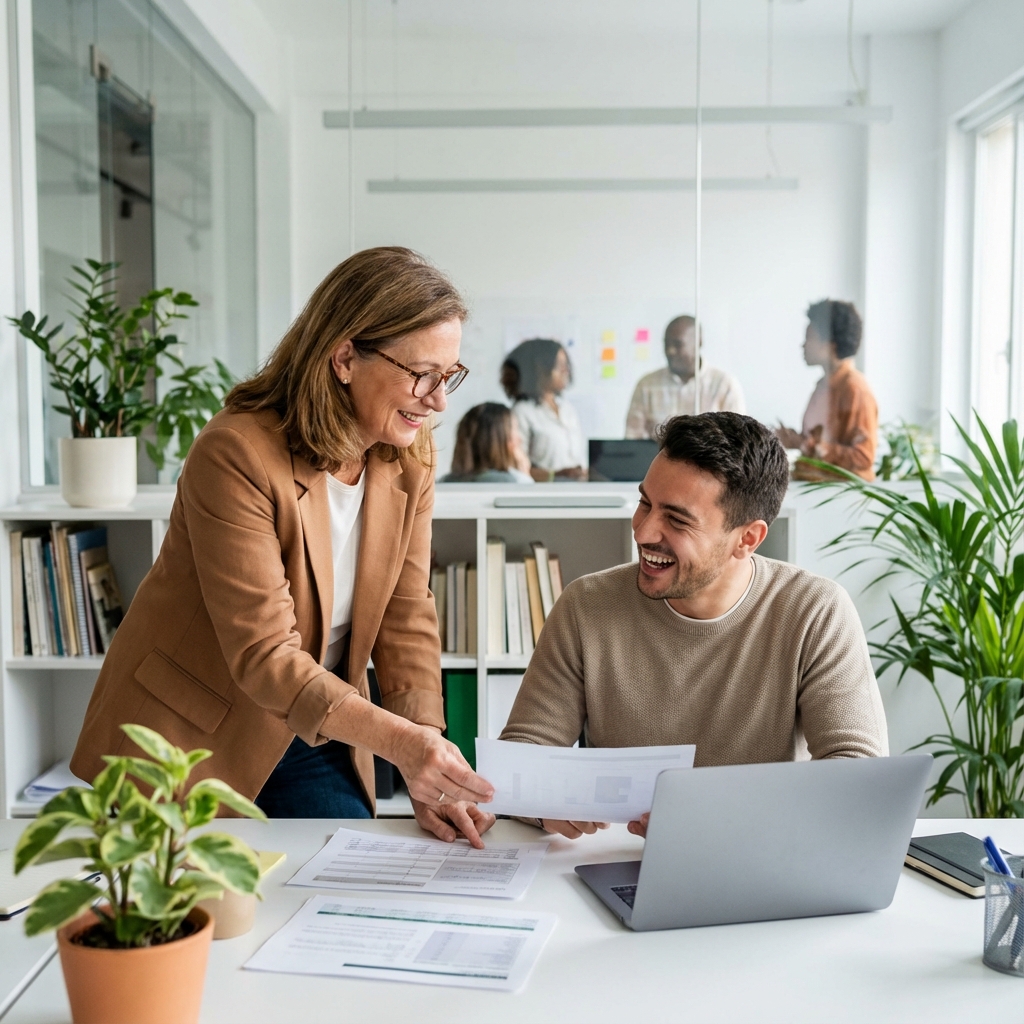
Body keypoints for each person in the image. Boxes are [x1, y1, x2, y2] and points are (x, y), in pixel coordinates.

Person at [71, 247, 497, 848]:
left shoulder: (409, 455)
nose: (438, 402)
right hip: (189, 733)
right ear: (345, 357)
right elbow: (265, 653)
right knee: (204, 928)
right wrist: (401, 743)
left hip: (320, 725)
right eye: (421, 374)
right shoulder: (236, 453)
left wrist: (431, 765)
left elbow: (406, 612)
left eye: (449, 375)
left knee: (338, 898)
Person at [500, 411, 888, 841]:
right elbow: (523, 757)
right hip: (617, 858)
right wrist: (543, 808)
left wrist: (712, 820)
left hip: (759, 863)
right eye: (645, 502)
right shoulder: (586, 606)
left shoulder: (814, 611)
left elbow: (856, 770)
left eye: (677, 520)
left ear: (748, 538)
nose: (645, 531)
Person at [776, 299, 878, 481]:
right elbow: (818, 442)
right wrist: (795, 440)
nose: (803, 345)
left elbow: (863, 458)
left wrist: (809, 445)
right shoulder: (824, 385)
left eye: (809, 337)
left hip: (841, 498)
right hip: (816, 490)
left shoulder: (854, 389)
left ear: (830, 343)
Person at [625, 315, 745, 439]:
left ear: (698, 342)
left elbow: (737, 441)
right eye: (667, 344)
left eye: (678, 344)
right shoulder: (646, 385)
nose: (670, 351)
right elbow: (633, 440)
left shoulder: (724, 385)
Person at [502, 338, 587, 480]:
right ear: (539, 369)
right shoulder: (522, 412)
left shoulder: (567, 409)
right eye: (559, 365)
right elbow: (516, 469)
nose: (565, 371)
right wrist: (555, 476)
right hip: (542, 495)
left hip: (576, 491)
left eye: (566, 365)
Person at [441, 402, 534, 483]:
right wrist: (524, 475)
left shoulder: (444, 482)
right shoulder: (515, 482)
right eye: (516, 429)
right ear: (501, 441)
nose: (520, 439)